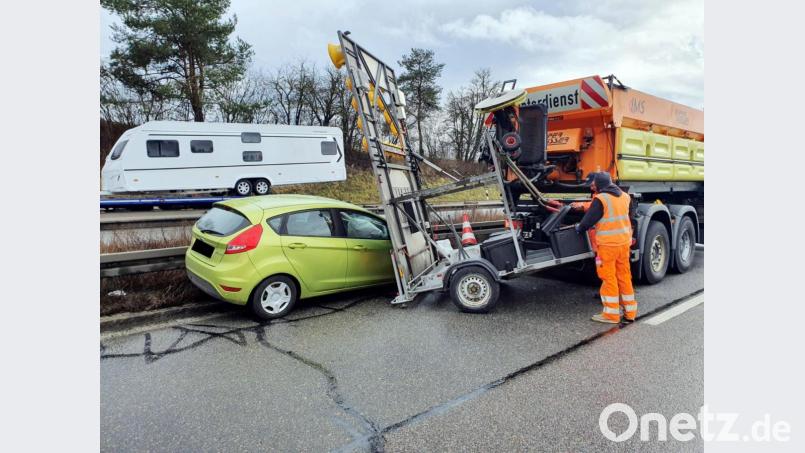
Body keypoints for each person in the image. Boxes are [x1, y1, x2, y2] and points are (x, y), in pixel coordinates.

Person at [573, 172, 637, 324]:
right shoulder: (624, 196)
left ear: (600, 185)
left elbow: (588, 221)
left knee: (608, 278)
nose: (591, 186)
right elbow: (629, 215)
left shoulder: (601, 199)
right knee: (624, 276)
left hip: (608, 246)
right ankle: (630, 312)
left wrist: (579, 228)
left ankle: (611, 314)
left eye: (594, 183)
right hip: (623, 243)